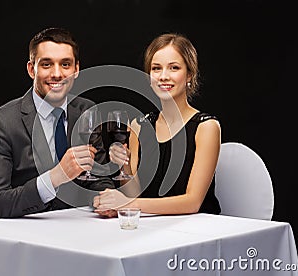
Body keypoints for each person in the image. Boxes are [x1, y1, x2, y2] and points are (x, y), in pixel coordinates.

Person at [0, 27, 114, 222]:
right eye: (46, 65)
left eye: (65, 64)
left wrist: (109, 198)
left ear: (76, 69)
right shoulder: (0, 122)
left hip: (73, 231)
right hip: (15, 236)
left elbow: (99, 178)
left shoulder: (87, 111)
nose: (57, 74)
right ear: (31, 69)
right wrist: (55, 177)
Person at [93, 32, 221, 216]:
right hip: (152, 228)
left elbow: (192, 203)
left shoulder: (206, 127)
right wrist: (124, 166)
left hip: (197, 231)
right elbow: (134, 193)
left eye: (174, 68)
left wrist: (125, 204)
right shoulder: (139, 124)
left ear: (189, 75)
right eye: (156, 68)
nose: (163, 76)